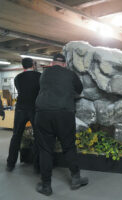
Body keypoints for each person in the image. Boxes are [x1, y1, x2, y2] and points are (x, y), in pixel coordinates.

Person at [35, 53, 87, 196]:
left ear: (52, 63)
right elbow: (79, 89)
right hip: (64, 113)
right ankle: (76, 178)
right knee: (69, 146)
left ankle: (46, 186)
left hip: (43, 113)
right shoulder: (70, 74)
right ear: (64, 64)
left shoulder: (44, 74)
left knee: (45, 149)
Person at [6, 58, 41, 172]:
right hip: (34, 109)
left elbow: (20, 90)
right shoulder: (39, 76)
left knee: (16, 136)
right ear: (33, 65)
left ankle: (10, 164)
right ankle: (37, 166)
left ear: (23, 66)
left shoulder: (17, 78)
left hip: (21, 108)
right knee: (38, 136)